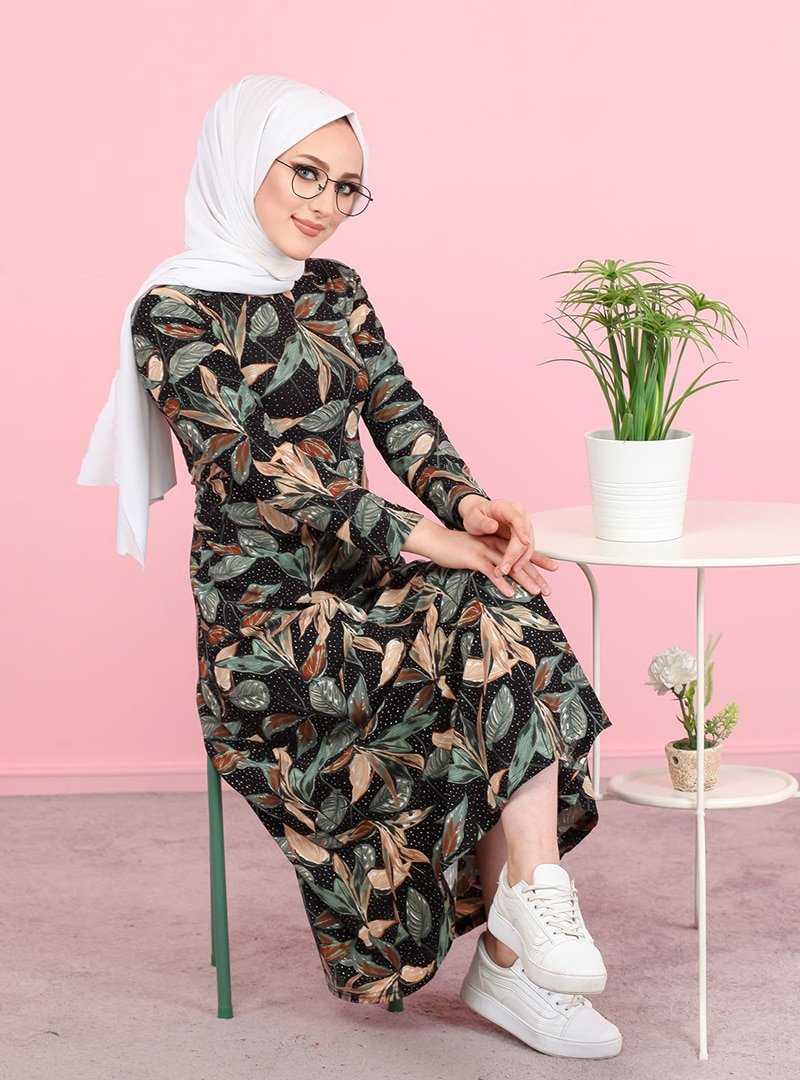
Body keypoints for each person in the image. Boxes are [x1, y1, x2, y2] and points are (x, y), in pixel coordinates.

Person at [76, 74, 621, 1059]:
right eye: (306, 174)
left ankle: (529, 909)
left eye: (346, 187)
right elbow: (255, 475)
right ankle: (517, 948)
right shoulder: (171, 311)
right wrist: (424, 536)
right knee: (476, 623)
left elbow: (398, 411)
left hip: (368, 584)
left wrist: (467, 505)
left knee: (493, 600)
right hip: (266, 623)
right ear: (245, 162)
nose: (325, 204)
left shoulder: (335, 290)